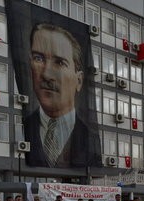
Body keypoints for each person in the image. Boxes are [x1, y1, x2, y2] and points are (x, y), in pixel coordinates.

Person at [23, 23, 101, 168]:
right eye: (38, 58)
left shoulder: (90, 139)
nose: (46, 74)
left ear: (78, 80)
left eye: (59, 62)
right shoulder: (22, 127)